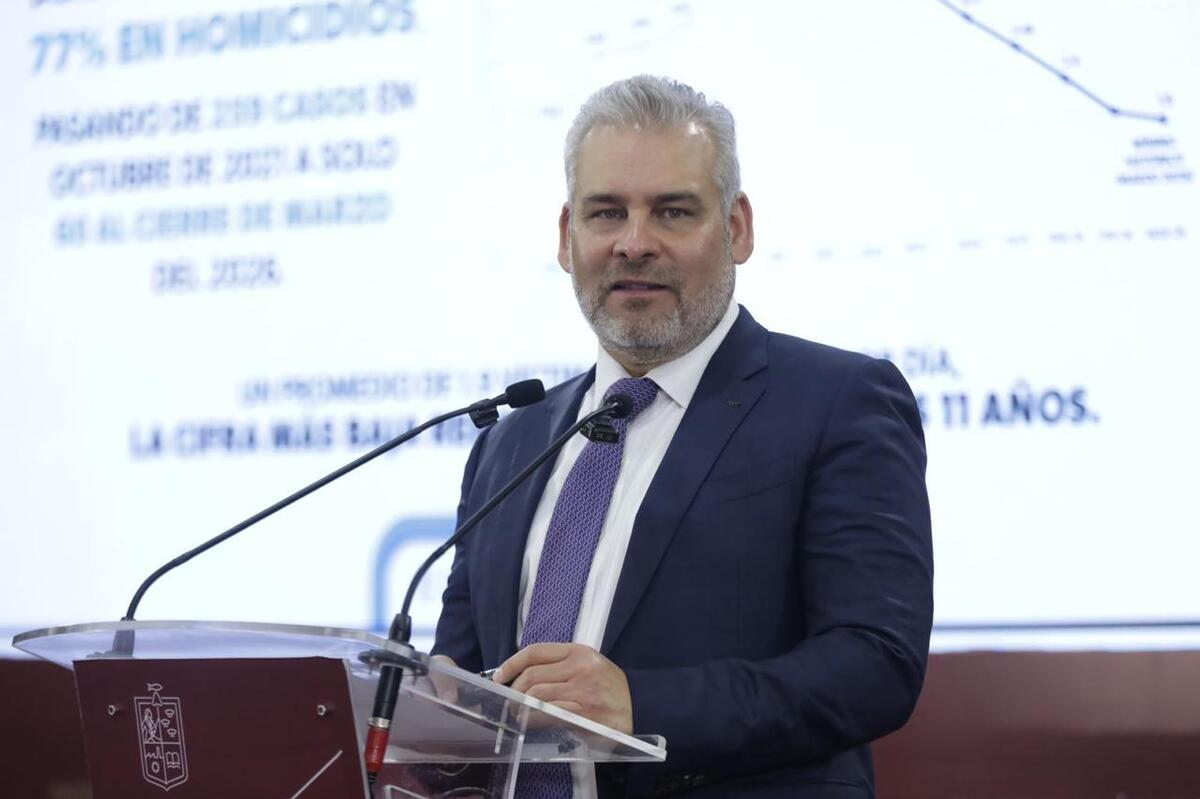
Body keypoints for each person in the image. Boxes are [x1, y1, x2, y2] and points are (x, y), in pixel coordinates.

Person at [433, 75, 933, 798]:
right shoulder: (512, 443)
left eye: (672, 211)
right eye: (607, 213)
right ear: (568, 237)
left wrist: (642, 707)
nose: (635, 244)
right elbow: (456, 683)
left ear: (737, 228)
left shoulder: (838, 402)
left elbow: (876, 665)